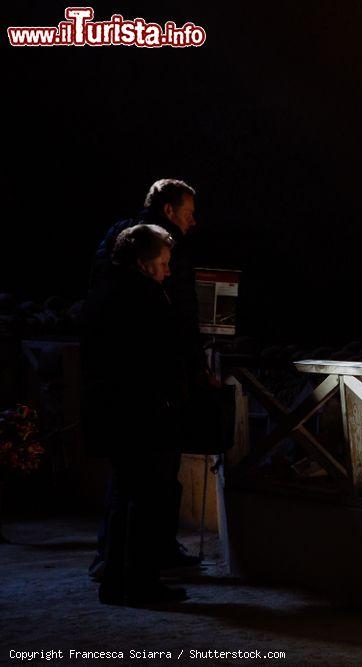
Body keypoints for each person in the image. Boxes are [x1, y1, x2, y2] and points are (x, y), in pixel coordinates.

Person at [89, 179, 205, 580]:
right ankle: (140, 567)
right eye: (189, 212)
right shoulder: (152, 260)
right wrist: (191, 369)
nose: (194, 221)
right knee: (148, 484)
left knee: (128, 486)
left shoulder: (116, 256)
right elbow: (169, 330)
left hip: (122, 396)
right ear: (169, 210)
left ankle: (117, 564)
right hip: (146, 400)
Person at [81, 224, 188, 605]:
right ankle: (141, 584)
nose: (168, 270)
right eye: (163, 262)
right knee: (145, 502)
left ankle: (115, 581)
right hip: (142, 413)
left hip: (113, 412)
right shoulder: (143, 298)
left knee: (124, 499)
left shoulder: (102, 292)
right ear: (144, 263)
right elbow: (160, 356)